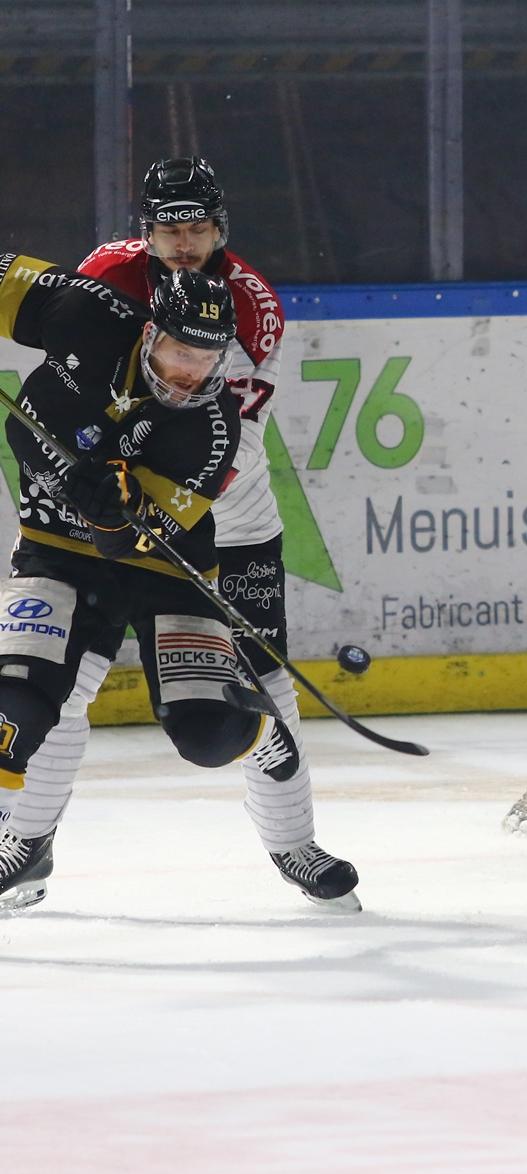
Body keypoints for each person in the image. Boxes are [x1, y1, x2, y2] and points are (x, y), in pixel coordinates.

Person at [4, 157, 359, 912]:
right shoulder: (104, 275)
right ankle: (27, 841)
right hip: (106, 505)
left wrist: (123, 484)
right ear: (147, 231)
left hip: (221, 512)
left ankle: (295, 844)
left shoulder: (250, 306)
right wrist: (84, 466)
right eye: (171, 228)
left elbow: (203, 430)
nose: (186, 242)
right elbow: (67, 363)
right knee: (64, 687)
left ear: (219, 229)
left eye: (198, 227)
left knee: (255, 690)